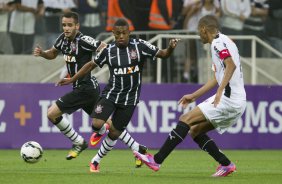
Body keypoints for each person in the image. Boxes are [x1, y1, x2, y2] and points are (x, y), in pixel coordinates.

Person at [57, 18, 180, 172]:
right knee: (96, 123)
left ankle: (96, 160)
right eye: (117, 34)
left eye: (124, 33)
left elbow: (163, 54)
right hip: (111, 94)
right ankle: (110, 136)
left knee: (115, 132)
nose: (121, 36)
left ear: (129, 33)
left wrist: (170, 48)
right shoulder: (108, 50)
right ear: (113, 34)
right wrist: (73, 79)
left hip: (130, 98)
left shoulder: (140, 46)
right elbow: (90, 65)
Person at [134, 15, 247, 177]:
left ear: (203, 29)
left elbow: (231, 65)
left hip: (228, 98)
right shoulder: (226, 40)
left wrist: (220, 91)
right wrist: (193, 95)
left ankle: (157, 160)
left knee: (185, 119)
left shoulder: (217, 43)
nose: (199, 35)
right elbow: (217, 77)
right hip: (238, 101)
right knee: (195, 130)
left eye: (199, 32)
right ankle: (226, 164)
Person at [33, 12, 147, 163]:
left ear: (77, 26)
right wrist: (42, 54)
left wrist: (99, 60)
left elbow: (103, 46)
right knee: (111, 126)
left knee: (51, 113)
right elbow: (53, 54)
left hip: (85, 88)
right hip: (84, 89)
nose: (66, 28)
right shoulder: (63, 39)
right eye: (64, 25)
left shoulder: (84, 40)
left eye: (69, 25)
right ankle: (137, 148)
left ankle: (78, 142)